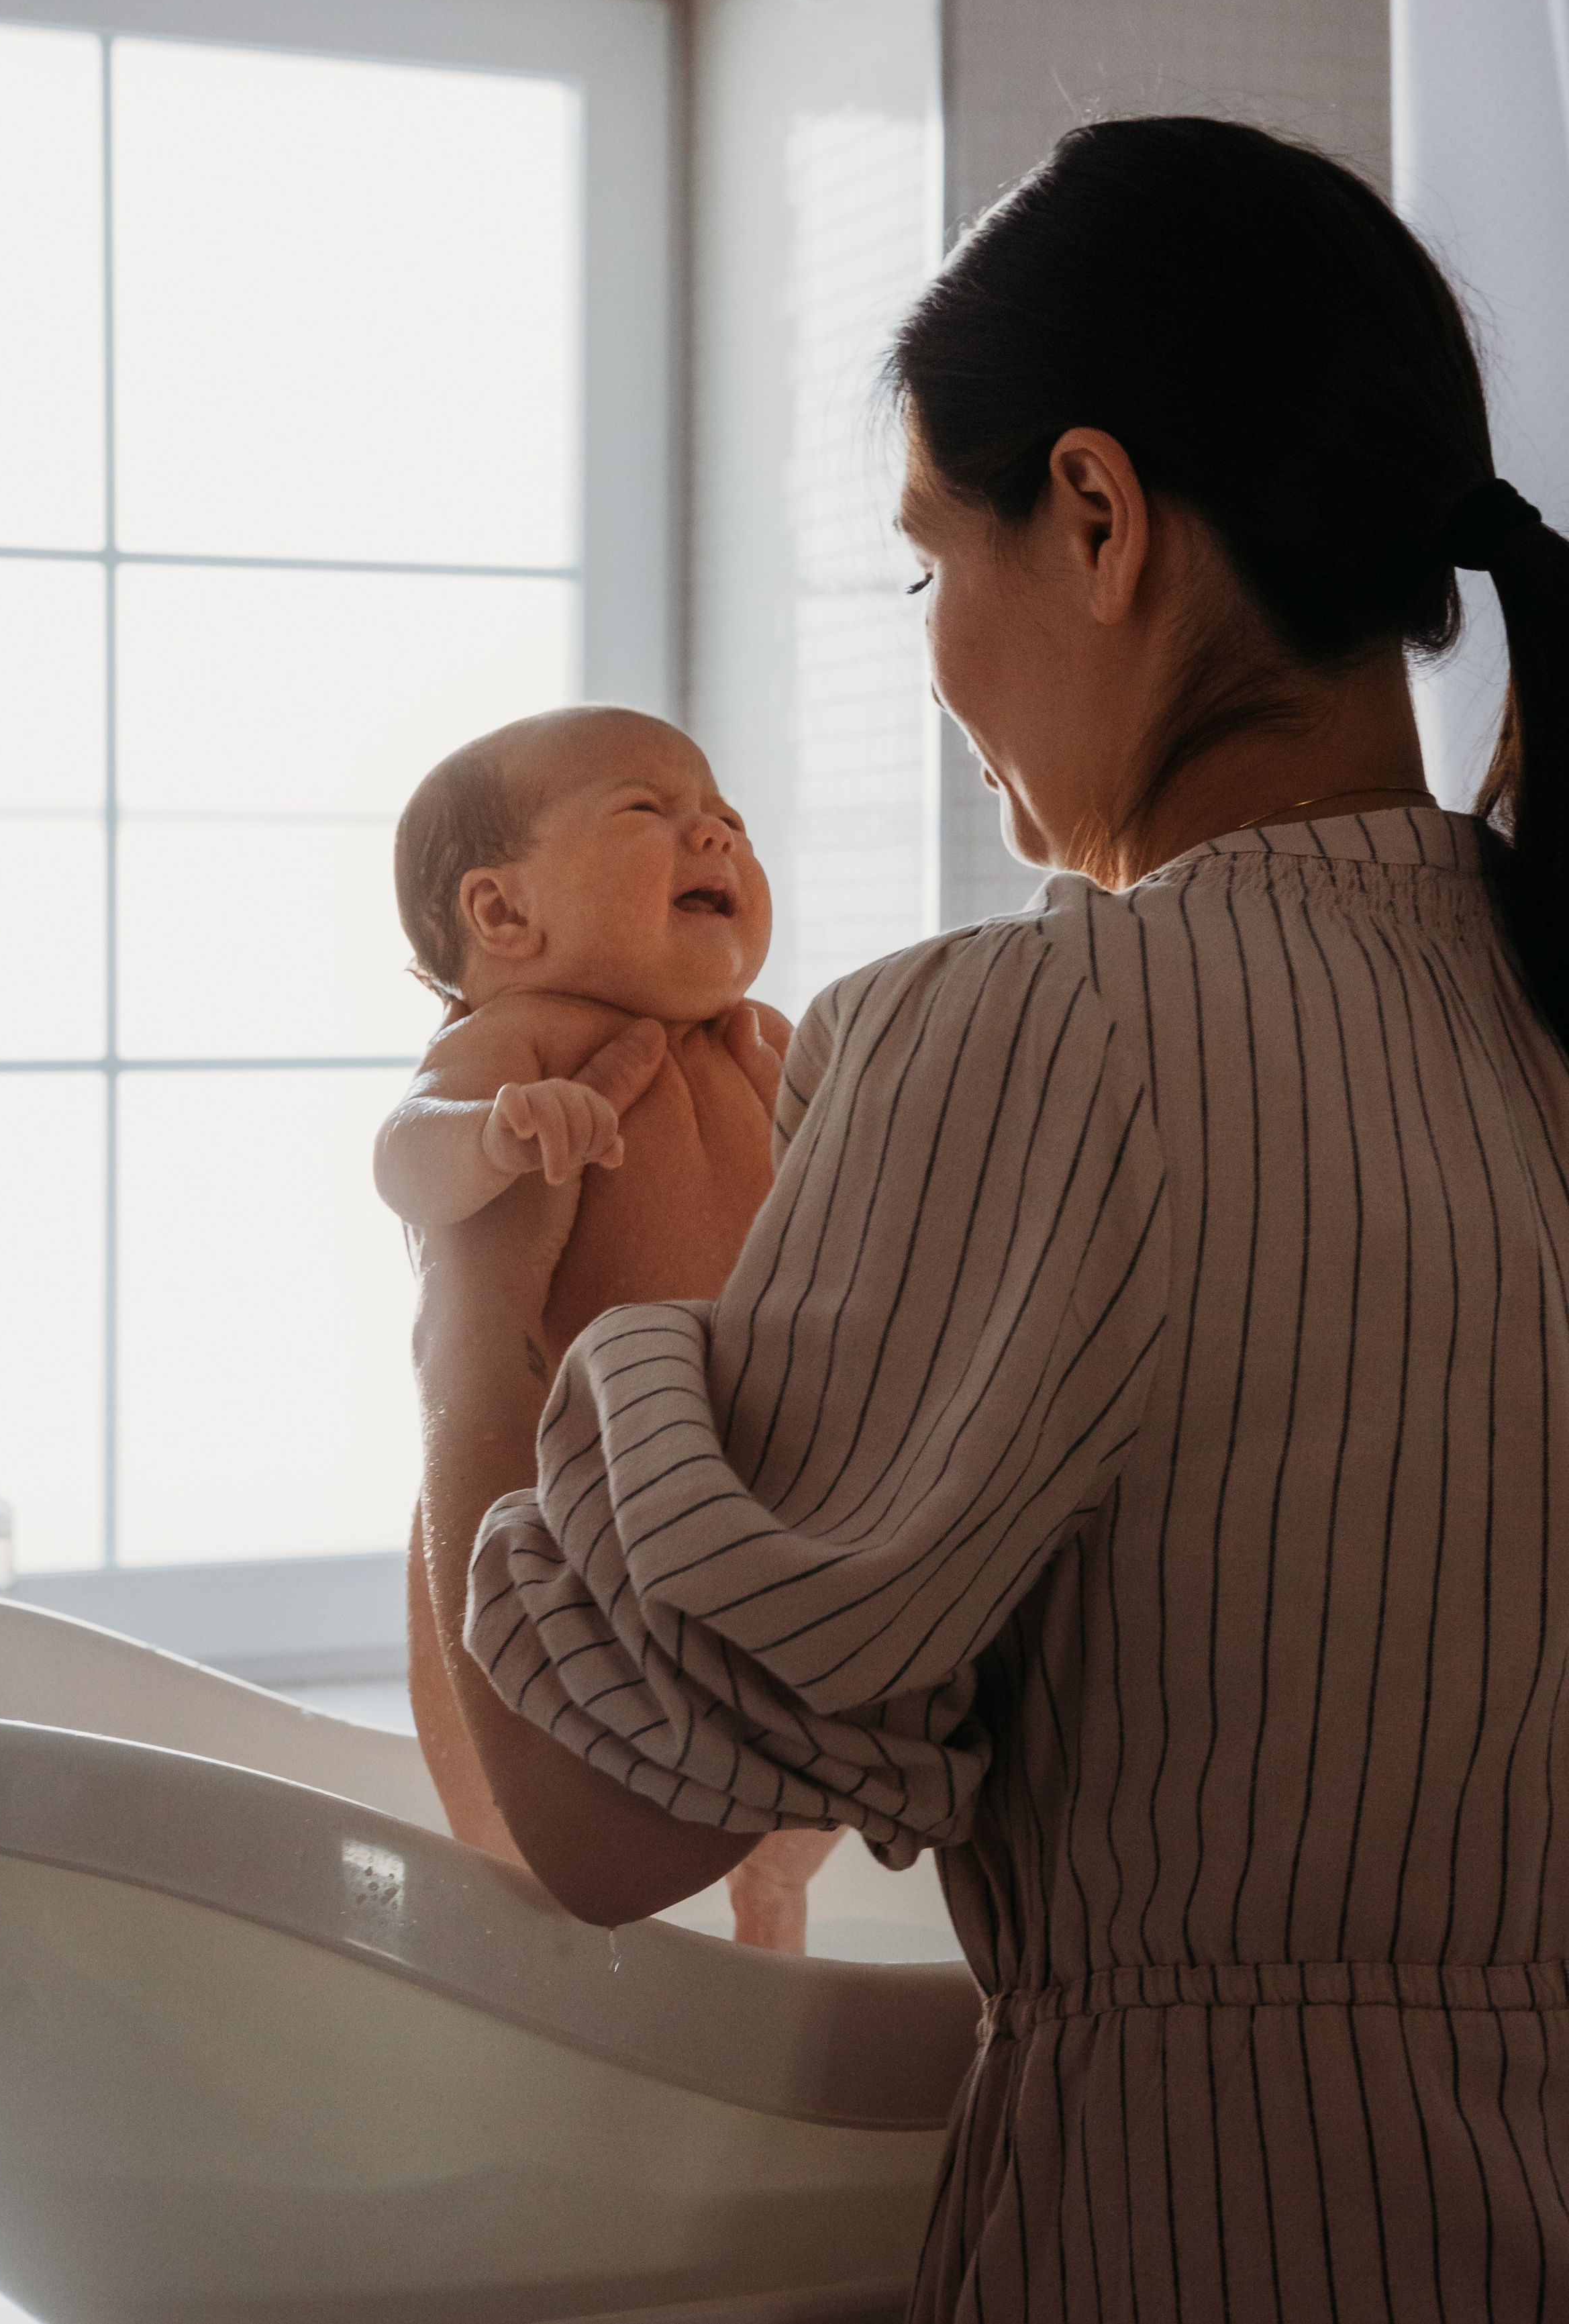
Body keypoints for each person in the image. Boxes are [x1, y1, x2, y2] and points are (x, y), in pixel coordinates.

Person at [406, 116, 1569, 2317]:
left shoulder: (1044, 1035)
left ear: (1102, 518)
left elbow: (605, 1818)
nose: (936, 660)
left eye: (933, 562)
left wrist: (474, 1306)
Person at [376, 704, 842, 1951]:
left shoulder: (768, 1045)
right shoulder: (515, 1044)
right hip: (561, 1520)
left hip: (745, 1498)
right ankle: (545, 1971)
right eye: (649, 811)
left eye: (727, 819)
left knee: (808, 1750)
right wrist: (494, 1131)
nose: (716, 831)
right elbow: (398, 1156)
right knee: (531, 1823)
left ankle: (777, 1892)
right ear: (503, 915)